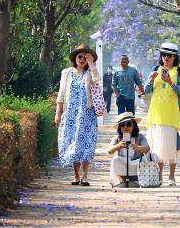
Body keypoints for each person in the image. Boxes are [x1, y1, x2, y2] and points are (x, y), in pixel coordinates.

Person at [55, 43, 102, 186]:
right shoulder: (66, 72)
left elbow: (96, 79)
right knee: (73, 144)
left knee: (87, 144)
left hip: (87, 114)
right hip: (71, 115)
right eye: (79, 56)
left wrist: (91, 63)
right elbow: (61, 94)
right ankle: (76, 175)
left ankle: (85, 175)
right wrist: (58, 113)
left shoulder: (90, 73)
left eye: (85, 57)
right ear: (75, 58)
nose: (82, 59)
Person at [144, 43, 180, 185]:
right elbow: (146, 91)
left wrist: (170, 82)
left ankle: (172, 176)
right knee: (157, 146)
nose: (166, 58)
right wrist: (150, 80)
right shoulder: (155, 69)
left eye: (169, 55)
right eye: (164, 55)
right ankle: (160, 176)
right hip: (156, 113)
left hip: (171, 114)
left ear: (175, 57)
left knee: (171, 145)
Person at [106, 111, 150, 187]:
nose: (125, 127)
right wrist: (118, 145)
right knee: (115, 160)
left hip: (136, 162)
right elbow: (109, 151)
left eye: (128, 124)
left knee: (143, 160)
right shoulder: (117, 138)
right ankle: (121, 180)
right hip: (122, 163)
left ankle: (135, 180)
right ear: (120, 128)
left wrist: (137, 147)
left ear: (134, 126)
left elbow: (147, 149)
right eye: (123, 125)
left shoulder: (140, 137)